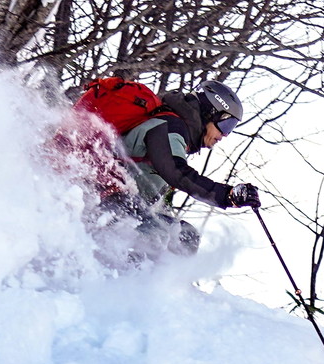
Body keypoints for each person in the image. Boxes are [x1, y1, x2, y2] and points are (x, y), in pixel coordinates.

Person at [90, 80, 260, 260]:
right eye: (225, 126)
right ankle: (122, 278)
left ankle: (145, 282)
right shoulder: (170, 126)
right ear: (210, 113)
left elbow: (161, 198)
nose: (224, 136)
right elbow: (175, 171)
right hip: (104, 198)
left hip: (122, 204)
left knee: (183, 236)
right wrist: (227, 195)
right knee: (165, 238)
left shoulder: (177, 136)